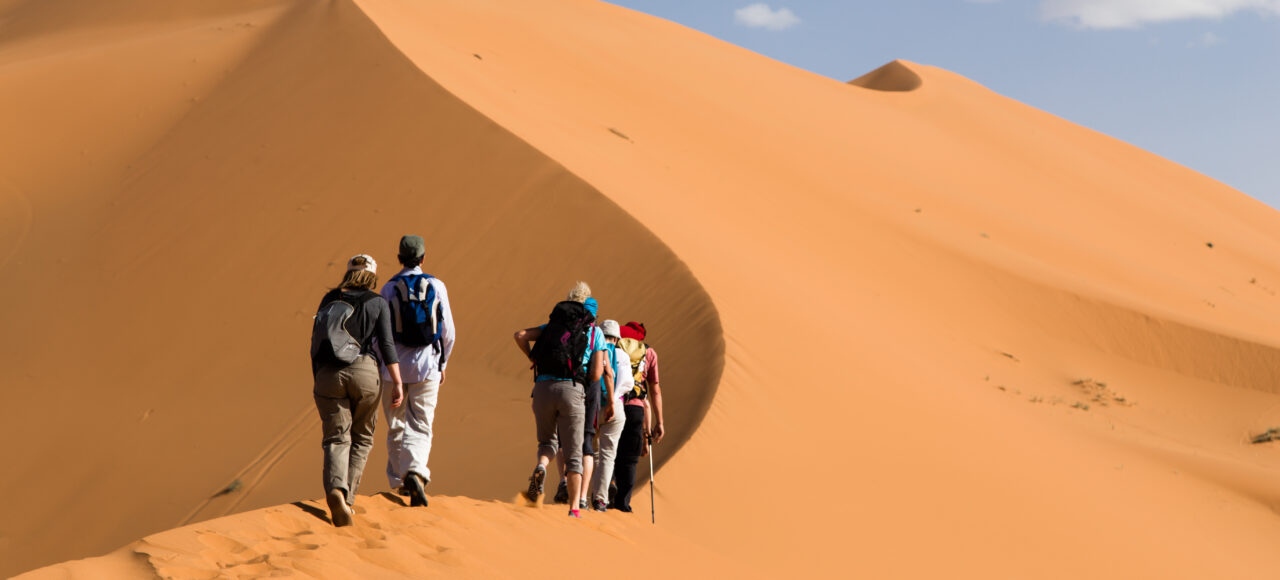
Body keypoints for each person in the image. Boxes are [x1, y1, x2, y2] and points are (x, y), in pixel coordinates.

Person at [310, 254, 404, 527]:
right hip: (364, 372)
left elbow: (314, 340)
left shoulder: (329, 299)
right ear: (373, 275)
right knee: (361, 437)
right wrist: (397, 382)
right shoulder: (377, 302)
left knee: (336, 438)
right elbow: (387, 344)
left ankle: (335, 490)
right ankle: (347, 500)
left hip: (327, 373)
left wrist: (319, 375)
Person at [513, 282, 609, 518]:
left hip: (543, 388)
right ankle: (575, 508)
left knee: (547, 442)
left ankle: (541, 466)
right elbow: (597, 374)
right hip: (573, 390)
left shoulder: (552, 326)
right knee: (575, 454)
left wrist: (533, 358)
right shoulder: (594, 332)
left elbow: (520, 335)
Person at [379, 235, 455, 508]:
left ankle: (400, 481)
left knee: (396, 424)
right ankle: (415, 472)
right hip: (427, 366)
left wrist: (382, 364)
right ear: (423, 258)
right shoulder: (436, 285)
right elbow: (448, 333)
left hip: (393, 369)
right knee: (421, 423)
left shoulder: (388, 289)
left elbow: (380, 334)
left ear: (399, 257)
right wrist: (442, 364)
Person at [612, 321, 662, 512]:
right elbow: (655, 390)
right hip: (636, 409)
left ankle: (606, 489)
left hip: (612, 404)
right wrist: (659, 422)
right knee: (630, 459)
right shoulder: (649, 353)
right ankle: (623, 504)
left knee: (609, 452)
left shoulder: (614, 346)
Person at [589, 320, 628, 511]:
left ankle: (580, 497)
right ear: (617, 337)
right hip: (616, 407)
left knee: (590, 452)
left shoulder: (595, 349)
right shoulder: (622, 354)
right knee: (608, 455)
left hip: (594, 405)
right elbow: (627, 382)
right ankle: (600, 499)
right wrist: (613, 399)